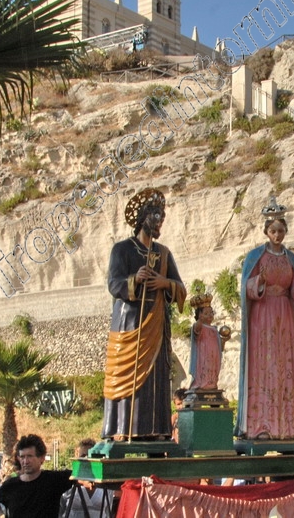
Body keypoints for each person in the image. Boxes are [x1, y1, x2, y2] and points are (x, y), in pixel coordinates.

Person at [102, 188, 186, 441]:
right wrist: (134, 279)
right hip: (129, 324)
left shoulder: (163, 253)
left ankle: (156, 430)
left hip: (156, 324)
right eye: (154, 216)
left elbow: (180, 289)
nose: (159, 220)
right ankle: (120, 430)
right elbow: (113, 284)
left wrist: (163, 282)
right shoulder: (122, 249)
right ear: (142, 218)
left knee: (156, 375)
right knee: (126, 375)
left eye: (161, 216)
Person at [234, 196, 294, 440]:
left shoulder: (291, 258)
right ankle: (262, 426)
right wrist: (258, 282)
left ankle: (289, 427)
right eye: (273, 231)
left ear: (286, 231)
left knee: (286, 366)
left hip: (285, 316)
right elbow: (246, 286)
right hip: (262, 315)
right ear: (266, 232)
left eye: (281, 230)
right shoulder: (256, 257)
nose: (277, 235)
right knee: (263, 366)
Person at [0, 434, 73, 518]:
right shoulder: (11, 485)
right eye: (22, 457)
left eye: (30, 456)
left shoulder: (54, 480)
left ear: (42, 458)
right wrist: (0, 515)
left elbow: (80, 475)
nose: (25, 461)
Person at [59, 439, 113, 518]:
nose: (87, 459)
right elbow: (60, 509)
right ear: (77, 455)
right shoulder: (69, 480)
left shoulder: (104, 482)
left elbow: (108, 511)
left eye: (90, 456)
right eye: (83, 456)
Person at [189, 293, 228, 390]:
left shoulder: (214, 329)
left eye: (211, 313)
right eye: (206, 313)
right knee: (204, 370)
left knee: (213, 371)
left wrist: (224, 340)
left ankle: (212, 384)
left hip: (214, 358)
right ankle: (201, 384)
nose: (210, 315)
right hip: (203, 356)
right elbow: (196, 330)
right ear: (200, 315)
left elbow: (220, 348)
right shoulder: (200, 326)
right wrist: (199, 320)